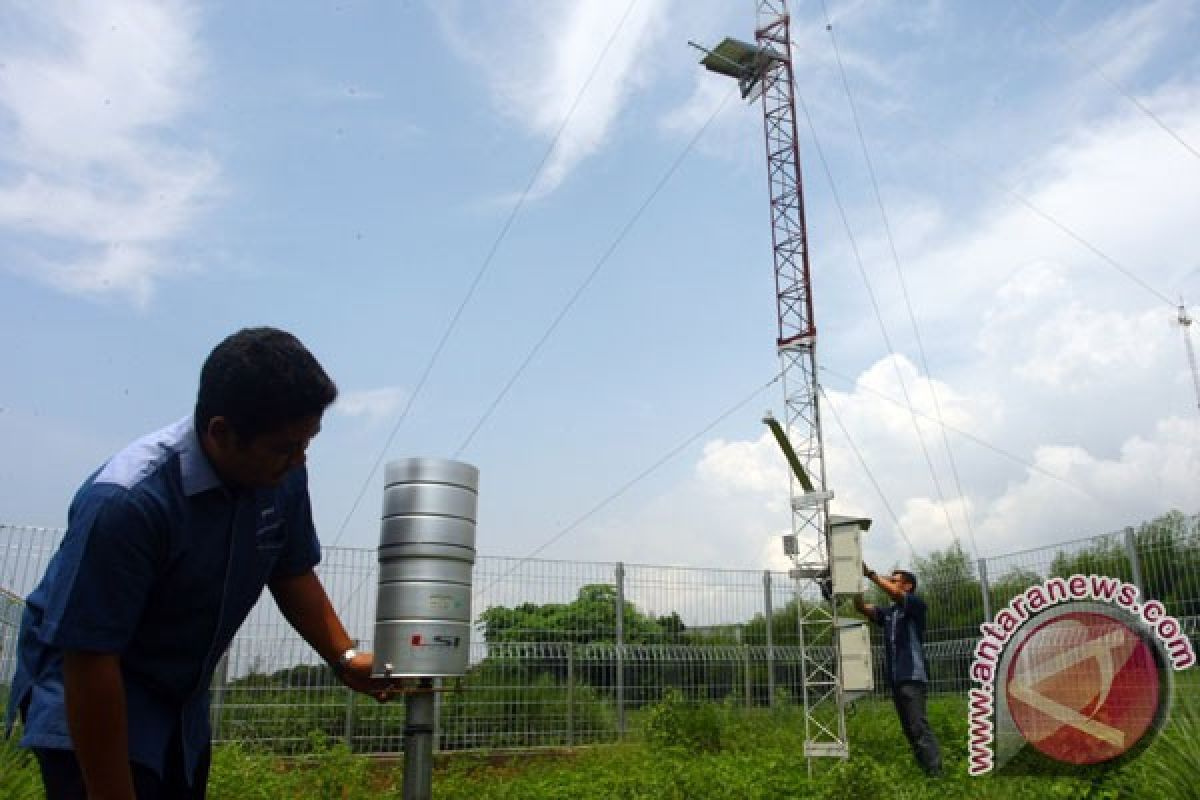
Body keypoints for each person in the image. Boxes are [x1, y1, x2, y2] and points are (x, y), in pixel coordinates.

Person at [4, 327, 394, 799]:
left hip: (179, 700)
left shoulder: (280, 472)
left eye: (307, 442)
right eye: (285, 447)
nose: (299, 459)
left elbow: (290, 569)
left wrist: (344, 656)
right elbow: (89, 657)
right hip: (88, 695)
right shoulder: (127, 503)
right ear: (220, 432)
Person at [854, 564, 943, 778]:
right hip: (896, 679)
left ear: (908, 586)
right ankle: (925, 771)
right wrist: (854, 583)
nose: (891, 583)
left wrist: (871, 574)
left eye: (895, 580)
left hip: (912, 676)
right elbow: (862, 608)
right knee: (909, 729)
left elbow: (894, 593)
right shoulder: (889, 614)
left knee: (919, 726)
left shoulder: (915, 605)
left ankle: (936, 774)